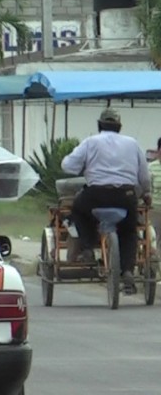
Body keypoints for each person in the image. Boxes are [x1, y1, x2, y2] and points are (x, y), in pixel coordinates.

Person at [62, 108, 151, 294]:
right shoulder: (132, 144)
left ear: (100, 125)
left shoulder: (90, 142)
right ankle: (127, 270)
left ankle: (87, 248)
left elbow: (68, 166)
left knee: (78, 211)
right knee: (129, 231)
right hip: (126, 196)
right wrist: (146, 193)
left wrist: (85, 167)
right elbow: (144, 177)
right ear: (119, 126)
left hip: (96, 195)